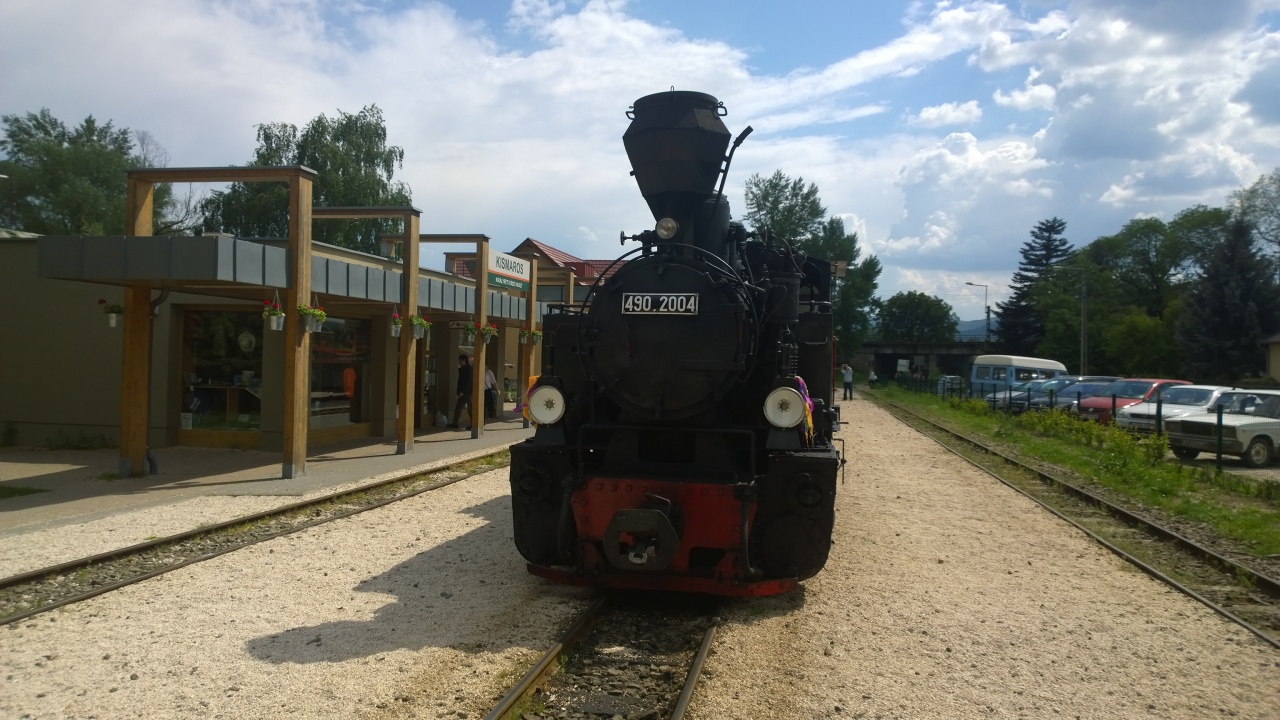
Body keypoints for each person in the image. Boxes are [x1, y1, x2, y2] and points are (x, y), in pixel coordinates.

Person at [448, 354, 473, 429]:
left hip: (468, 392)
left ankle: (473, 423)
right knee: (458, 408)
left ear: (464, 360)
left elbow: (469, 382)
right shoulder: (462, 369)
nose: (459, 362)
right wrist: (459, 391)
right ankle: (455, 422)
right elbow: (460, 381)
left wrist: (463, 391)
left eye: (460, 360)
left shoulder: (469, 369)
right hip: (462, 392)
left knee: (470, 408)